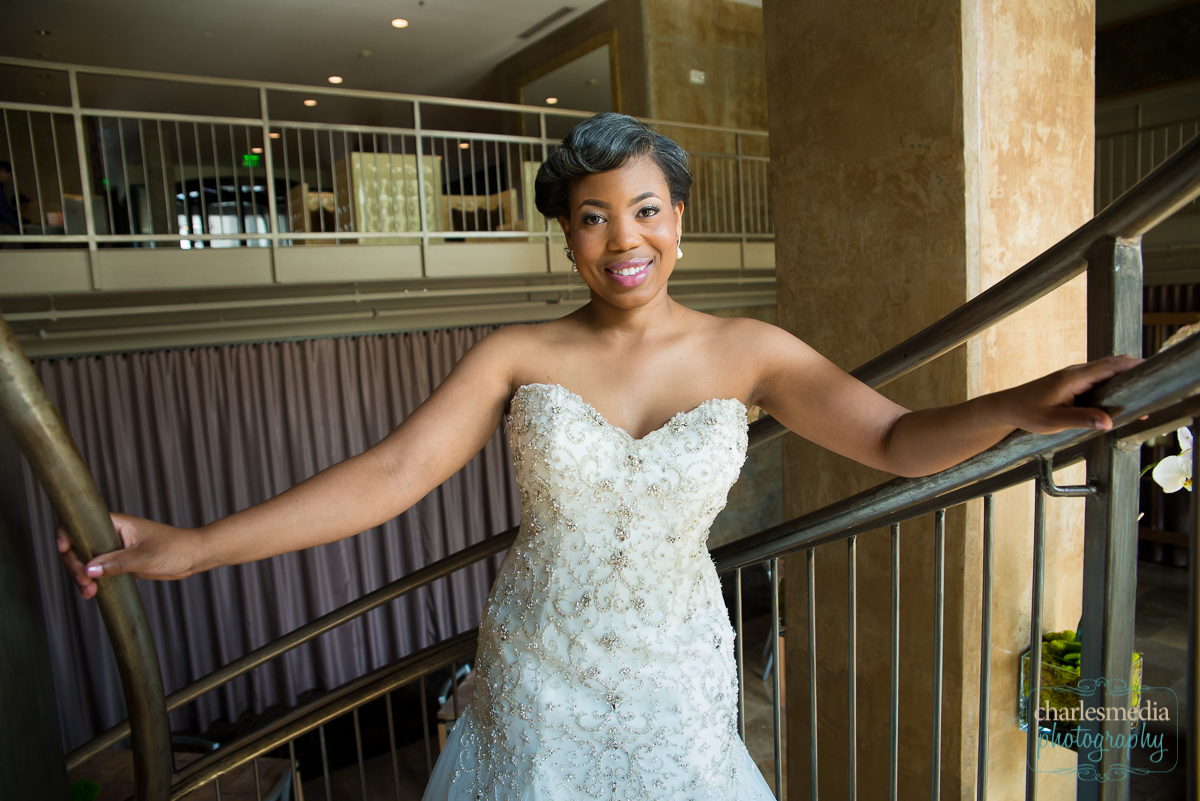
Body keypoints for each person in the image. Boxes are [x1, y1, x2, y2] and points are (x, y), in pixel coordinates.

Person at [58, 113, 1138, 798]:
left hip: (674, 679)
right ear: (566, 234)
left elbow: (897, 442)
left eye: (646, 209)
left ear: (679, 216)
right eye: (592, 217)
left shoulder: (747, 350)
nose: (625, 241)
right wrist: (194, 548)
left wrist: (1019, 405)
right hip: (537, 676)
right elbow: (392, 476)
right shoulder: (518, 353)